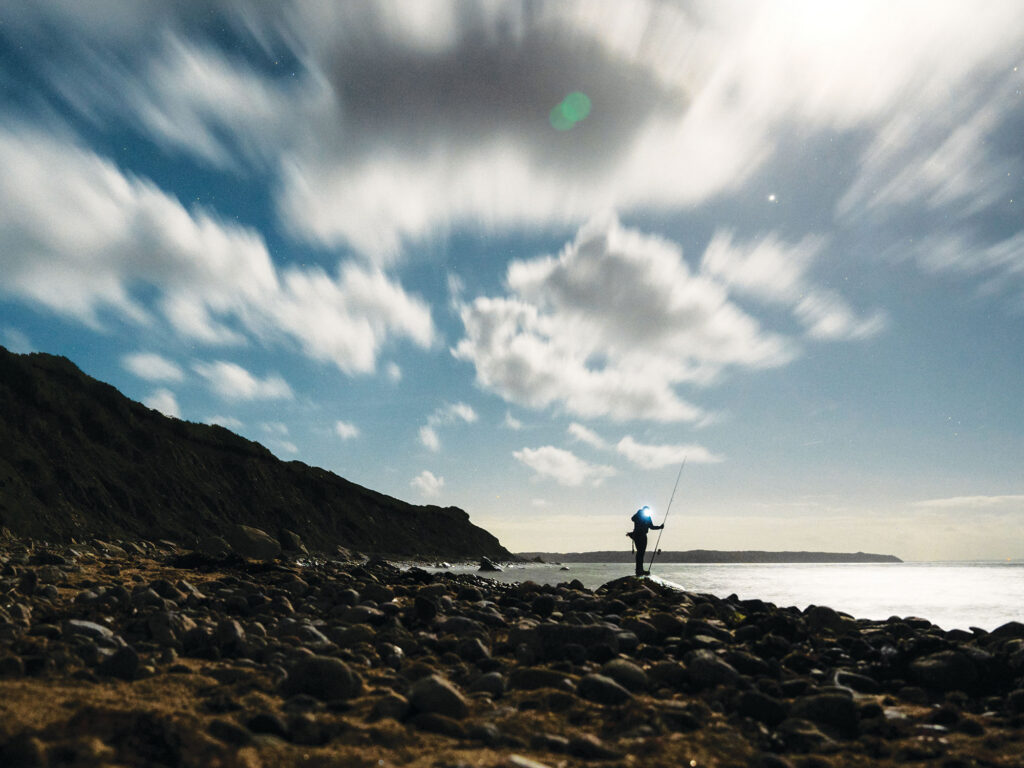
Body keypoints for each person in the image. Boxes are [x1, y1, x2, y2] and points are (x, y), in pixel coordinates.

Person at [627, 505, 663, 577]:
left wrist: (660, 527)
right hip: (638, 535)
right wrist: (639, 513)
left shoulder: (648, 517)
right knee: (640, 552)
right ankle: (639, 570)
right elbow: (632, 518)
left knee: (641, 552)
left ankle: (640, 570)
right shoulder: (638, 515)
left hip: (643, 535)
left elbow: (651, 527)